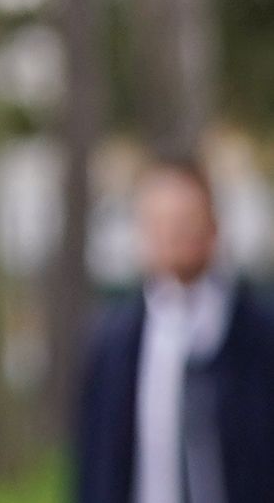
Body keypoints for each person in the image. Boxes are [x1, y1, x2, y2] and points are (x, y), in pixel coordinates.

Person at [77, 157, 274, 503]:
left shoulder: (258, 335)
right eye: (161, 222)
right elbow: (95, 464)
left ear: (213, 225)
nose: (175, 235)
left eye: (186, 221)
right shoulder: (114, 343)